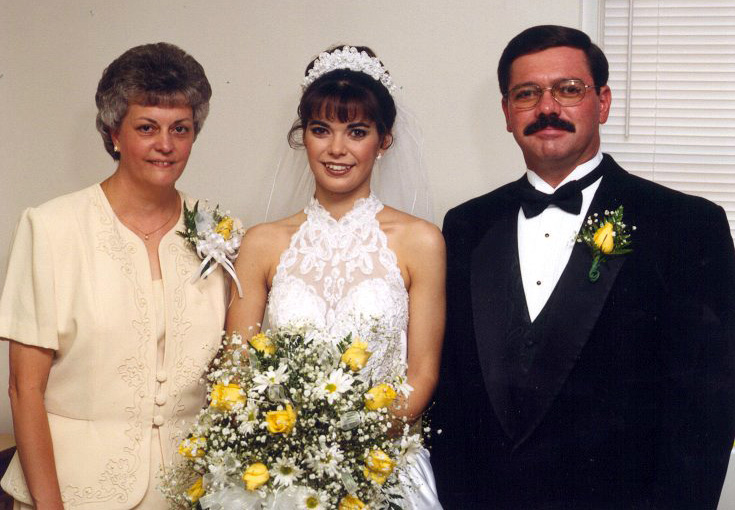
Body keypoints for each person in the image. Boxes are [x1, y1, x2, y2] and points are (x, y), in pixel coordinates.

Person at [431, 25, 735, 509]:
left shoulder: (687, 225)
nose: (547, 107)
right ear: (507, 113)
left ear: (603, 102)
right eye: (527, 94)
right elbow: (450, 393)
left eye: (568, 89)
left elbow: (706, 408)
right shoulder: (465, 225)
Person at [0, 43, 230, 509]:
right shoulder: (51, 228)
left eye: (180, 128)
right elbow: (25, 389)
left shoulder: (221, 232)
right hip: (69, 492)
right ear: (114, 134)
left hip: (191, 494)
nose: (165, 145)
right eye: (147, 127)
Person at [226, 45, 446, 509]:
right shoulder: (262, 243)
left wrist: (349, 450)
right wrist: (296, 450)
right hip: (281, 472)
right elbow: (237, 368)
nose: (337, 149)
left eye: (357, 131)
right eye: (321, 129)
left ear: (384, 141)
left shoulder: (421, 241)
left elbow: (422, 372)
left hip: (382, 468)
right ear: (303, 136)